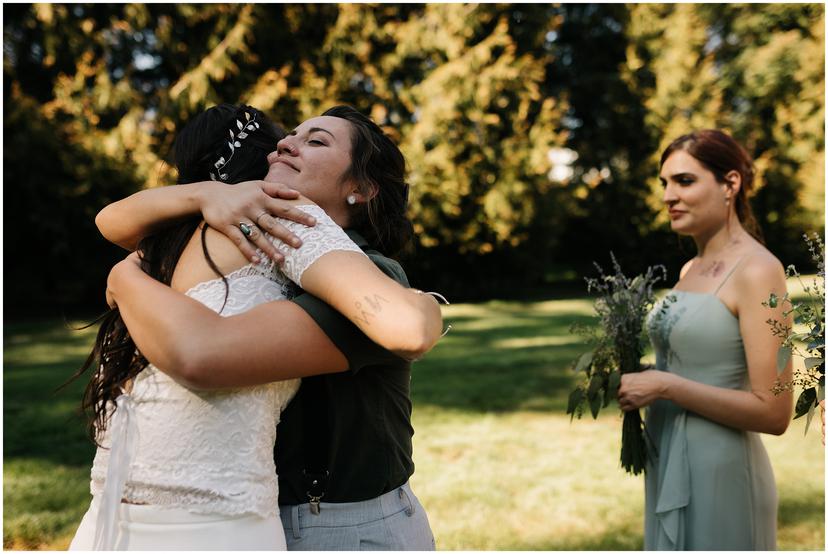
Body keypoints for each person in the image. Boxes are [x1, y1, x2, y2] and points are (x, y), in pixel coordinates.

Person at [69, 104, 443, 550]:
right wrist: (205, 195)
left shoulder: (367, 270)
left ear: (360, 188)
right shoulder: (234, 231)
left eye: (317, 141)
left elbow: (202, 353)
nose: (287, 143)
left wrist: (122, 277)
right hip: (212, 511)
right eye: (291, 135)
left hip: (342, 527)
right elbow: (111, 221)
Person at [617, 129, 793, 550]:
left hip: (721, 472)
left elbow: (774, 412)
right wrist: (640, 377)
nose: (668, 196)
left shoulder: (758, 271)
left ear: (730, 184)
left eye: (685, 181)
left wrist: (664, 386)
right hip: (667, 459)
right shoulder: (689, 269)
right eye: (664, 183)